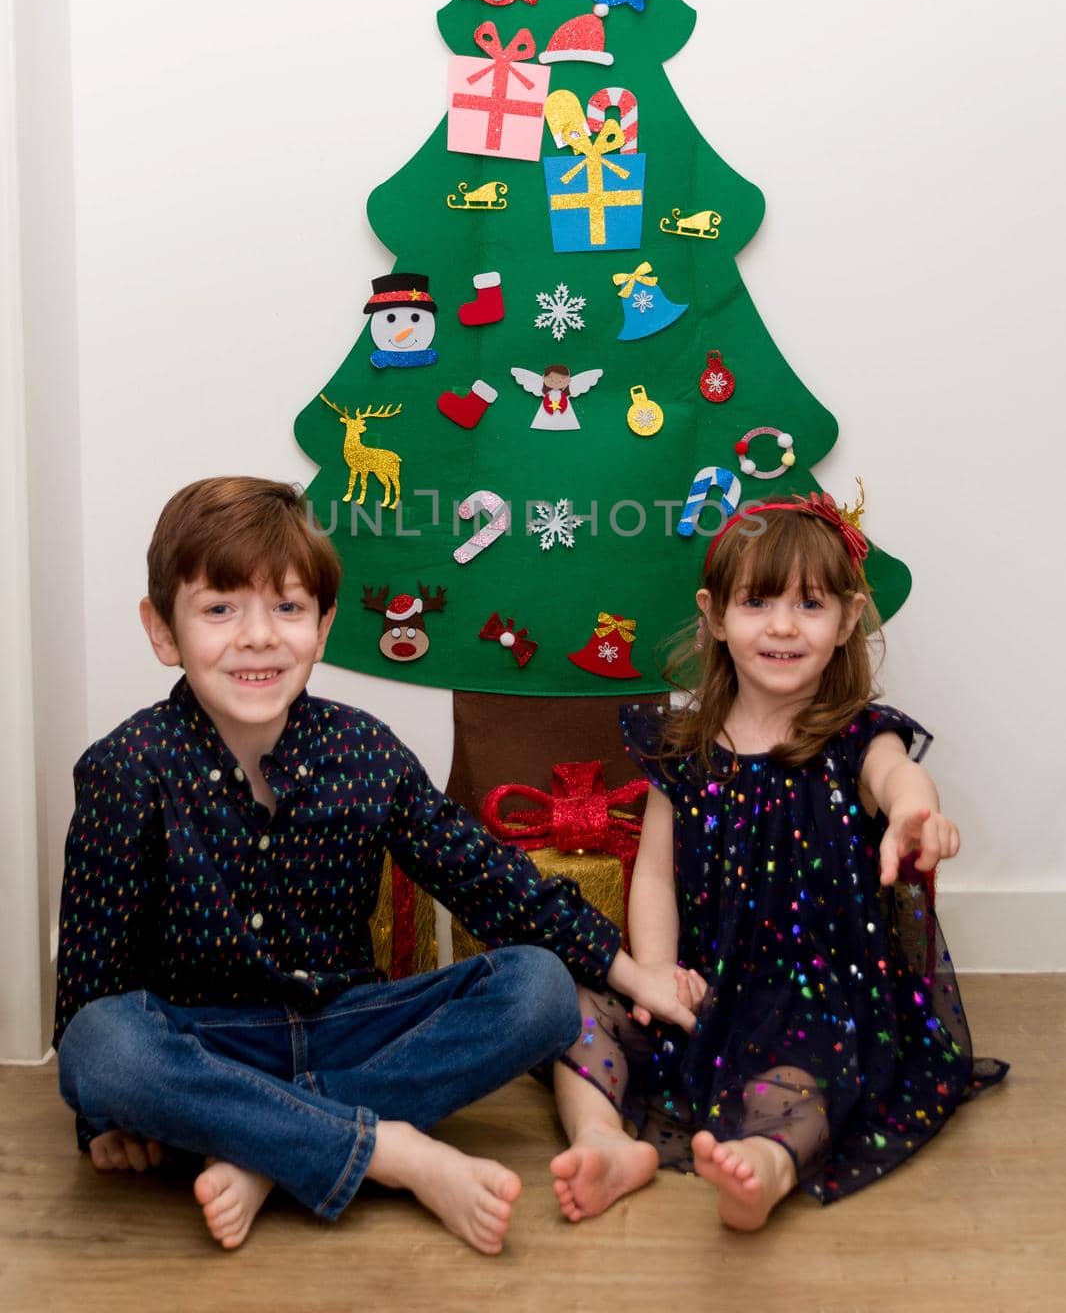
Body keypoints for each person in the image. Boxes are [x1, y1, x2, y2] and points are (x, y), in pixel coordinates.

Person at [54, 477, 695, 1255]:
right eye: (220, 609)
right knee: (101, 1044)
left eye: (287, 609)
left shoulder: (364, 752)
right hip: (206, 1042)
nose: (257, 636)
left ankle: (267, 1145)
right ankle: (389, 1151)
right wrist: (101, 1123)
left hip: (348, 1028)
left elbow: (486, 879)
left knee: (539, 990)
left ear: (323, 629)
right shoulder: (127, 769)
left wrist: (630, 974)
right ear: (164, 631)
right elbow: (93, 984)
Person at [549, 494, 1006, 1231]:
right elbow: (657, 874)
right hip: (705, 989)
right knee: (571, 1007)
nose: (784, 625)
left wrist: (915, 814)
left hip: (819, 997)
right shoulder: (683, 750)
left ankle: (766, 1167)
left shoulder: (857, 737)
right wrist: (660, 971)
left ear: (848, 619)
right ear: (716, 616)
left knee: (807, 1078)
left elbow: (896, 779)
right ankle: (602, 1141)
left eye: (810, 604)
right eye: (757, 601)